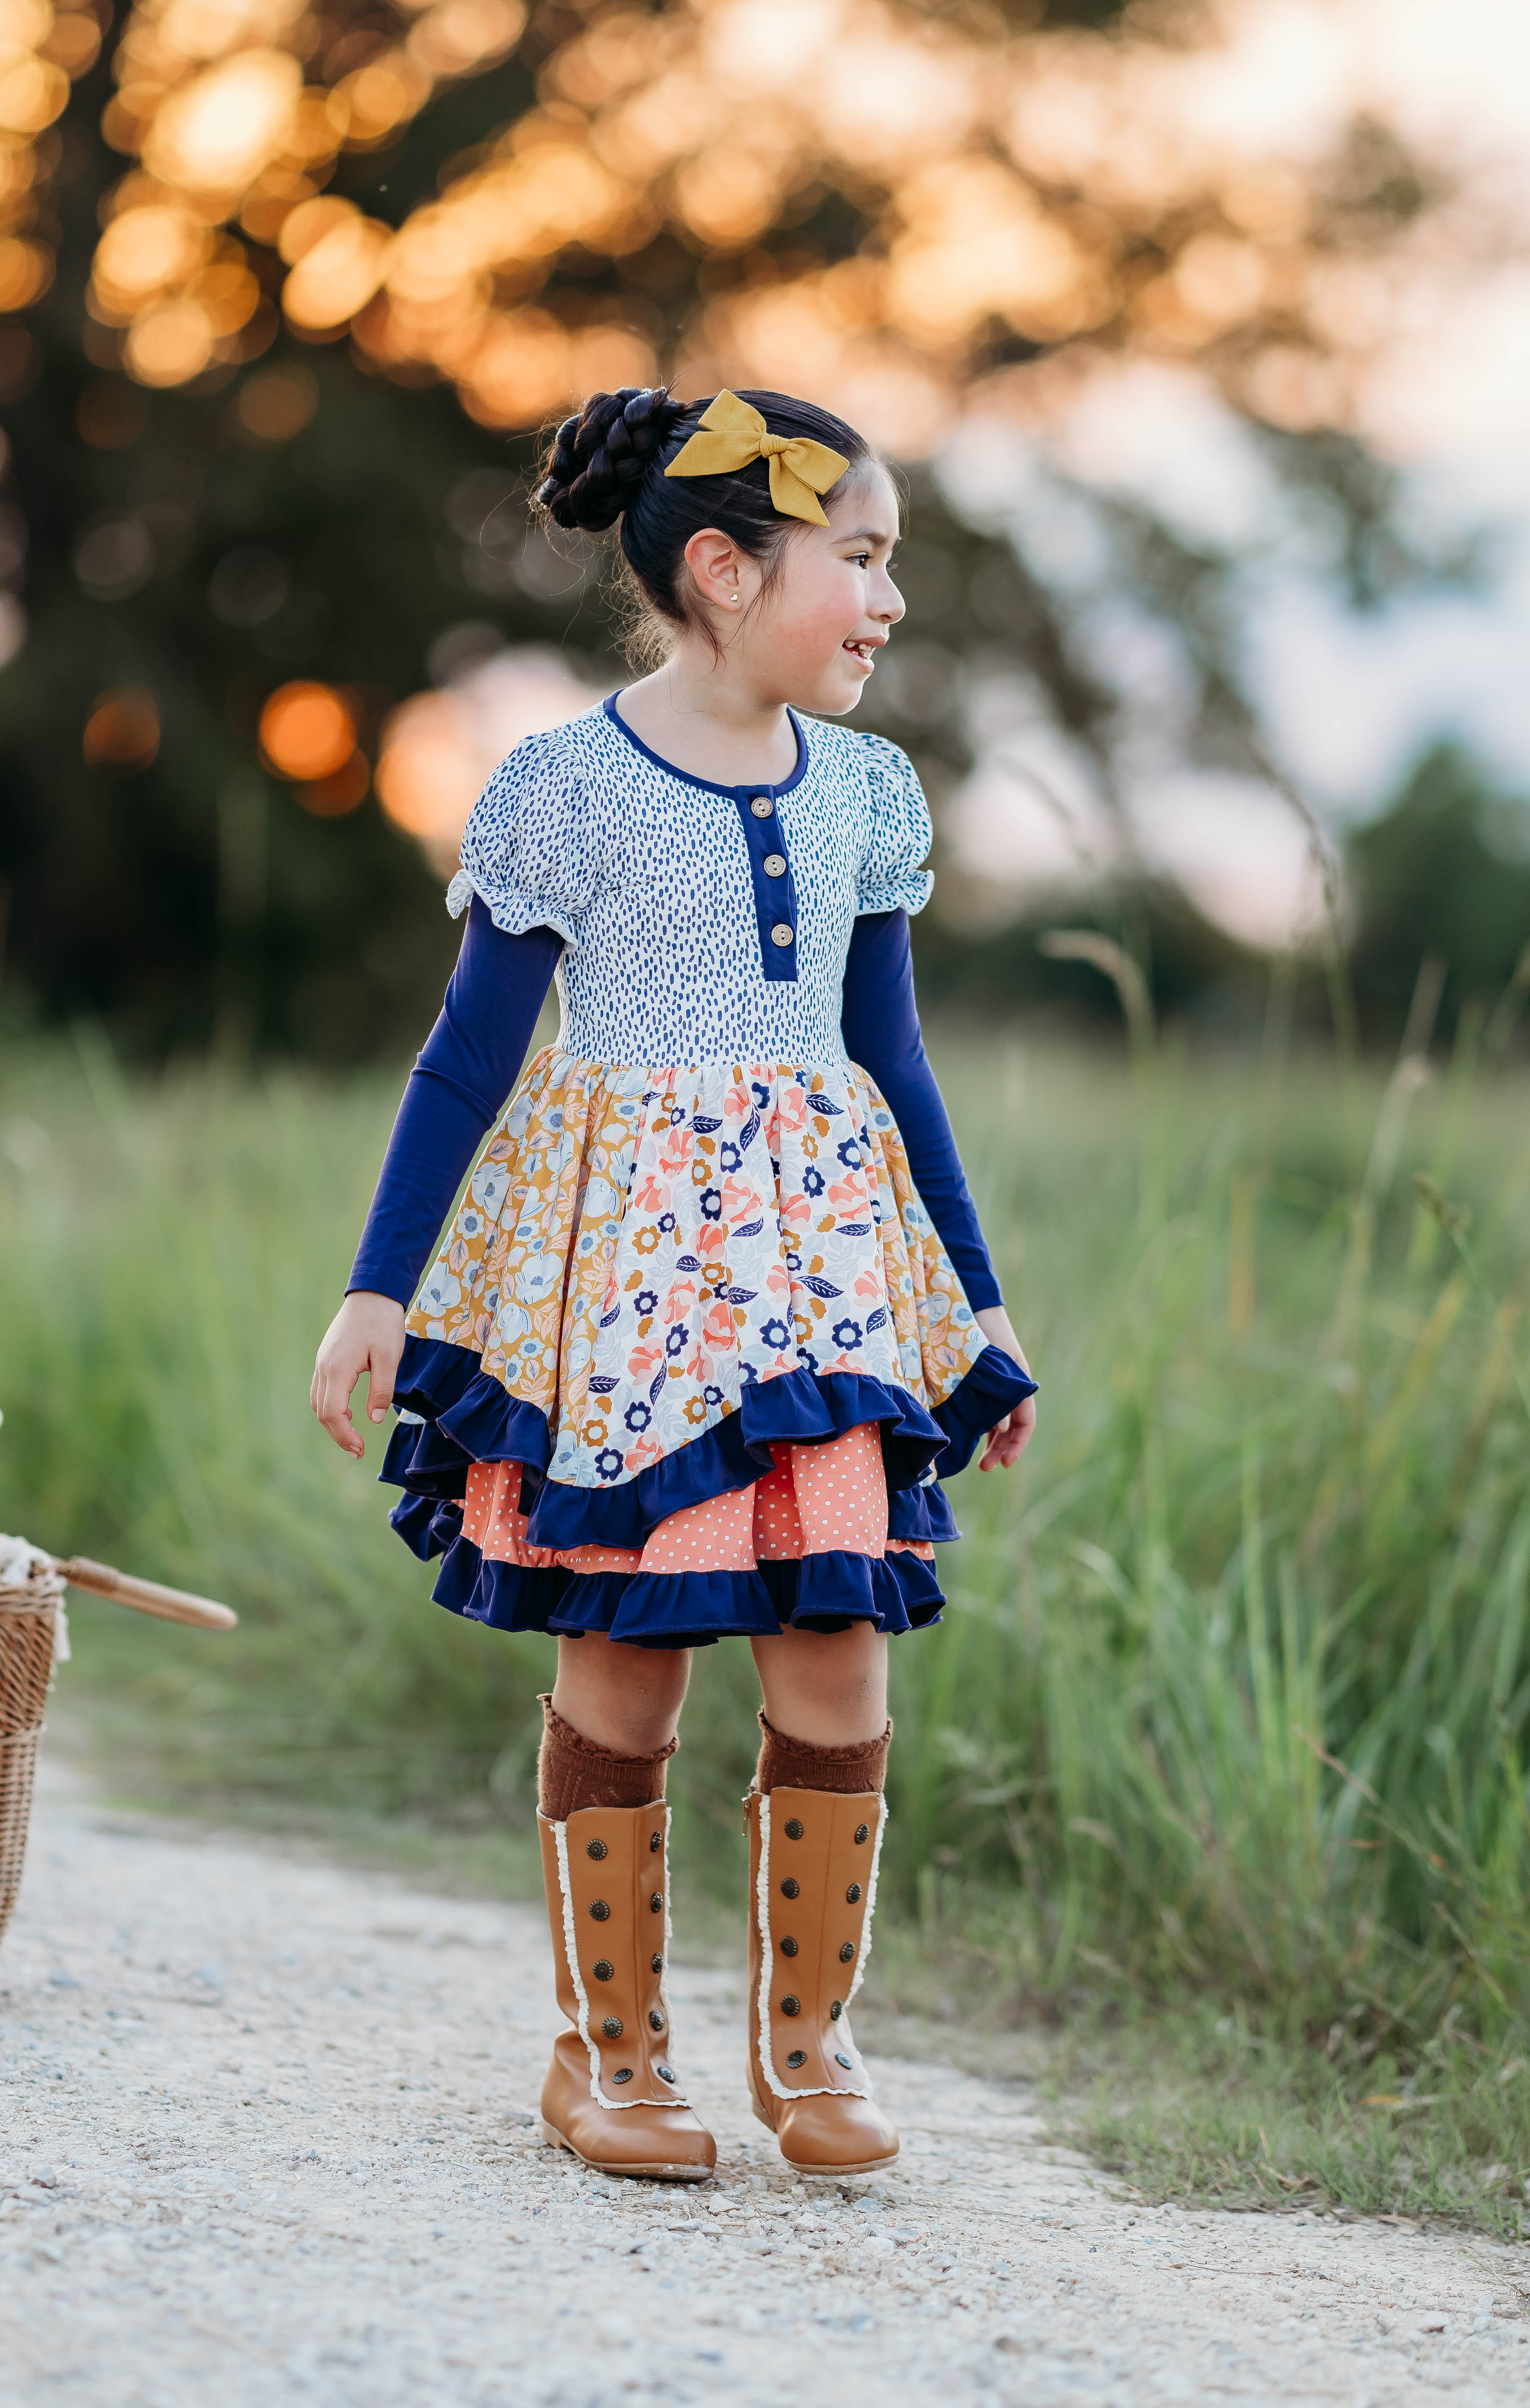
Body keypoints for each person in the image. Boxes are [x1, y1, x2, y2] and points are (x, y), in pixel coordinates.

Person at [311, 386, 1038, 2184]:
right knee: (630, 1663)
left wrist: (983, 1306)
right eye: (857, 561)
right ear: (723, 570)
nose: (884, 602)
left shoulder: (868, 790)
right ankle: (608, 2053)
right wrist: (379, 1289)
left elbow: (896, 1065)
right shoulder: (566, 789)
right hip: (633, 1304)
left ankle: (806, 2042)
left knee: (838, 1637)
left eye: (893, 566)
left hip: (824, 1294)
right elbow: (465, 1063)